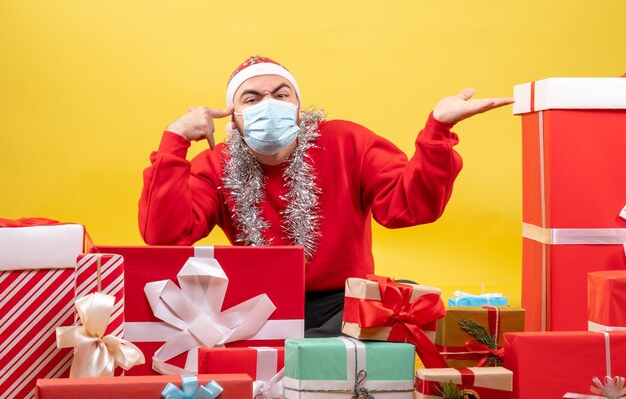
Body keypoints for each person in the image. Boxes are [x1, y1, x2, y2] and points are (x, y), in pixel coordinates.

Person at [139, 55, 513, 336]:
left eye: (281, 94)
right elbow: (166, 234)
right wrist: (175, 139)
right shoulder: (216, 164)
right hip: (255, 305)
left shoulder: (347, 141)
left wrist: (437, 131)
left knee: (402, 307)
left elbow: (408, 207)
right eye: (251, 99)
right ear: (233, 118)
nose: (269, 104)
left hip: (344, 301)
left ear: (299, 107)